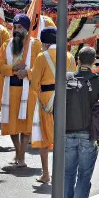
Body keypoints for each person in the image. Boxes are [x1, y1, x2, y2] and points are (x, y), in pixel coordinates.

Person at [64, 46, 99, 198]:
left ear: (78, 60)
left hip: (67, 133)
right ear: (93, 62)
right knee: (84, 176)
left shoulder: (67, 78)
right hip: (88, 135)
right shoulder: (98, 81)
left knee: (68, 174)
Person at [30, 27, 76, 184]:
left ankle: (46, 174)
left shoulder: (42, 56)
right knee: (64, 138)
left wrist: (42, 96)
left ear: (44, 43)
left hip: (46, 100)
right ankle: (64, 174)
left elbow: (34, 83)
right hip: (66, 100)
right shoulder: (70, 56)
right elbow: (73, 80)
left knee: (45, 139)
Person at [0, 13, 41, 168]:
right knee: (12, 125)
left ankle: (21, 156)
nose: (16, 30)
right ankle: (18, 152)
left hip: (28, 91)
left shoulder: (35, 45)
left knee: (26, 125)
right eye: (14, 27)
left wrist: (27, 72)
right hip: (10, 90)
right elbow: (0, 66)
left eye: (20, 27)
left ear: (26, 30)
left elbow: (40, 67)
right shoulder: (6, 45)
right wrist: (14, 68)